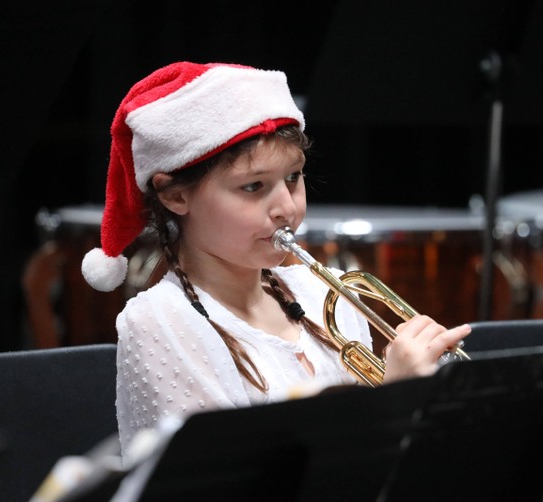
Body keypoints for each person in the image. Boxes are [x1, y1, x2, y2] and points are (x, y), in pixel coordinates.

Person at [81, 61, 471, 457]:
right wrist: (394, 400)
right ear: (176, 196)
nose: (286, 207)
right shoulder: (160, 323)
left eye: (293, 177)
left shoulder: (323, 294)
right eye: (254, 186)